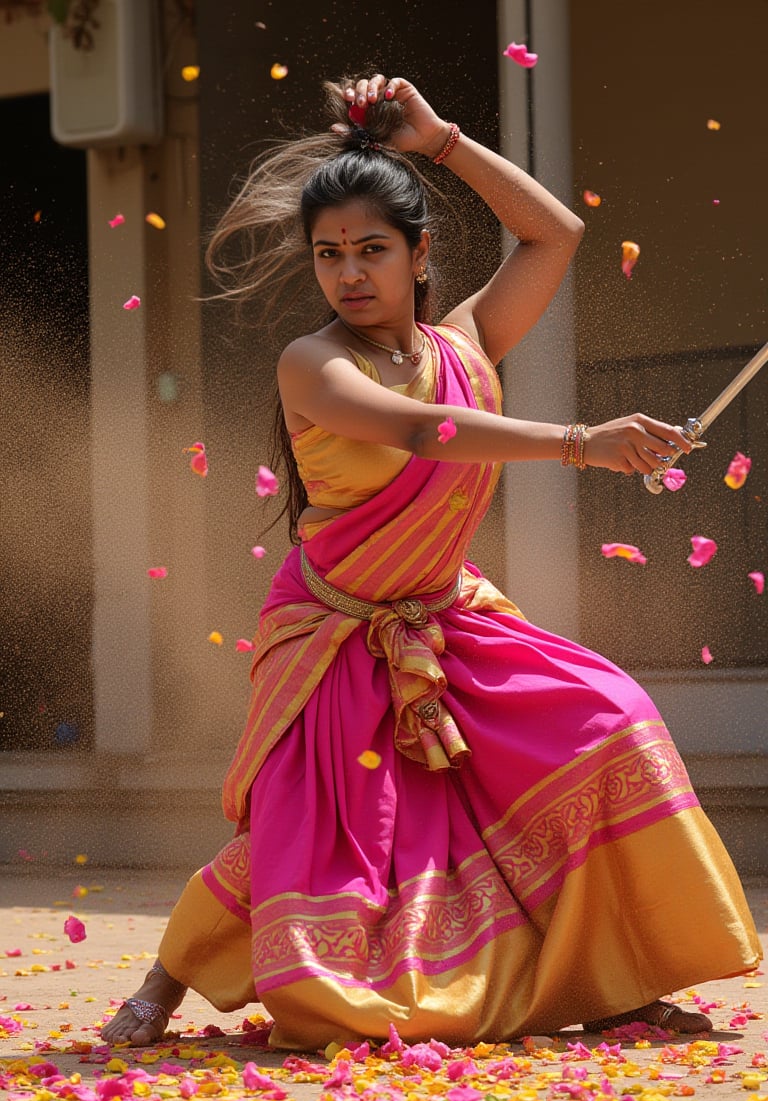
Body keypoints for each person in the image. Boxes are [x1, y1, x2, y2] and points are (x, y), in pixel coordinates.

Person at [101, 73, 760, 1049]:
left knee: (610, 722)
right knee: (312, 837)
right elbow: (420, 431)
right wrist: (584, 440)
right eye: (329, 256)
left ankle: (615, 978)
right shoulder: (311, 363)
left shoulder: (467, 341)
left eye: (372, 250)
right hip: (333, 630)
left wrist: (441, 139)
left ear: (419, 254)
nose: (350, 274)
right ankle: (165, 979)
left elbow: (555, 237)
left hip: (448, 614)